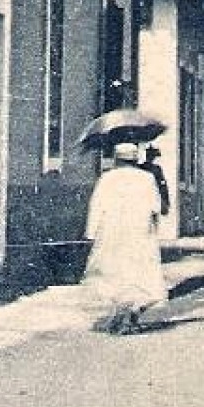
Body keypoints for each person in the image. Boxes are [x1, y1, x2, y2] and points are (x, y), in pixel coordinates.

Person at [82, 141, 167, 334]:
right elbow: (155, 208)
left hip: (113, 232)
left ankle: (120, 313)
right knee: (138, 271)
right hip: (139, 232)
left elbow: (96, 206)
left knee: (114, 270)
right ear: (136, 159)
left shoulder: (107, 178)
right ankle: (130, 313)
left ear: (117, 159)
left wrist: (91, 233)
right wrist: (154, 231)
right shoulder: (147, 178)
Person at [137, 144, 171, 217]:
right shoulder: (141, 168)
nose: (151, 157)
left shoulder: (156, 169)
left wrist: (165, 201)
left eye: (152, 156)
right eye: (150, 155)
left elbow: (162, 186)